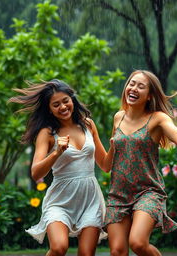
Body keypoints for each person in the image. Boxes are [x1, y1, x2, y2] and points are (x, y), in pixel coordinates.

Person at [103, 70, 177, 256]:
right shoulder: (118, 117)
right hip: (119, 194)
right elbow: (112, 156)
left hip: (148, 191)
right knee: (117, 251)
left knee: (138, 243)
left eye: (141, 86)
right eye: (131, 84)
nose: (133, 88)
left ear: (150, 95)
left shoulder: (158, 118)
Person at [9, 79, 112, 256]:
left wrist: (116, 144)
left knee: (86, 253)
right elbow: (36, 173)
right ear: (49, 109)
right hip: (60, 201)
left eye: (66, 101)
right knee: (58, 248)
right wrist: (56, 152)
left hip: (90, 200)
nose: (63, 107)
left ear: (72, 100)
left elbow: (105, 165)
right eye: (56, 104)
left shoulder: (88, 124)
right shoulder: (47, 133)